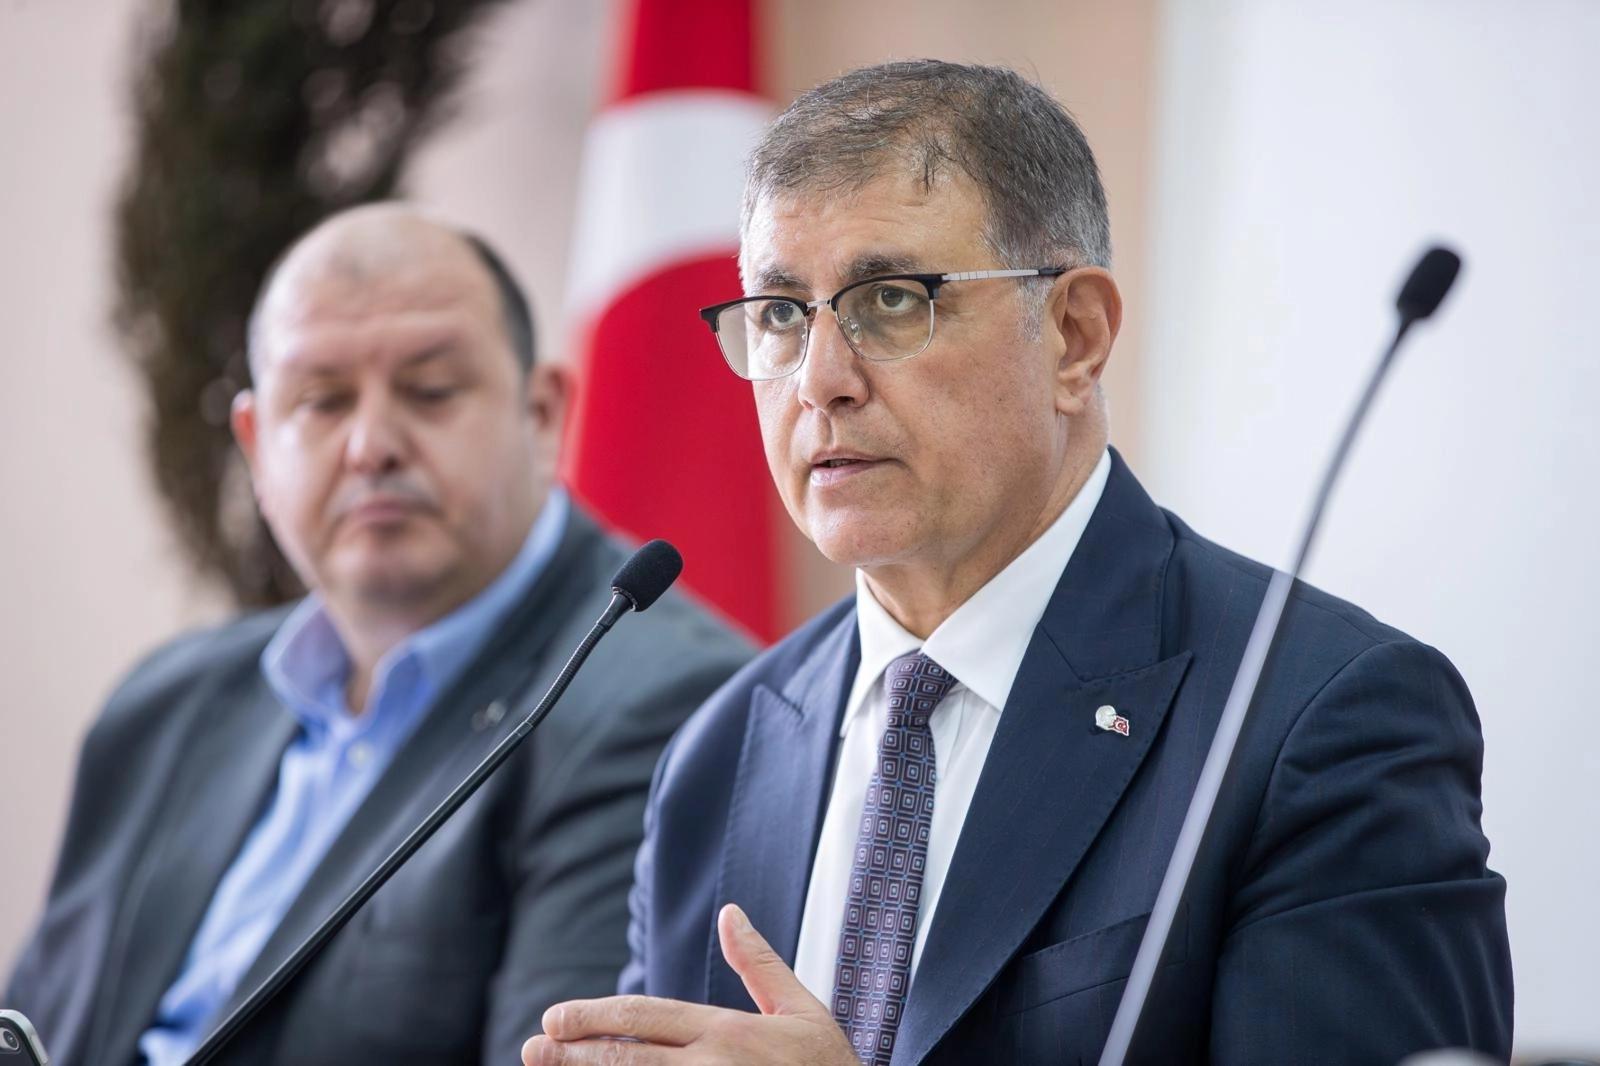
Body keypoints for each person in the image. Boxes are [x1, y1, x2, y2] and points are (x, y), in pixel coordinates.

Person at [521, 61, 1513, 1065]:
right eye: (780, 314)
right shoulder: (718, 751)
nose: (820, 381)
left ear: (1075, 338)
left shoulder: (1319, 715)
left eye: (891, 300)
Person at [5, 204, 753, 1066]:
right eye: (321, 401)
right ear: (255, 445)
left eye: (430, 391)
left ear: (542, 412)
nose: (370, 446)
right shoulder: (164, 703)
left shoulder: (662, 706)